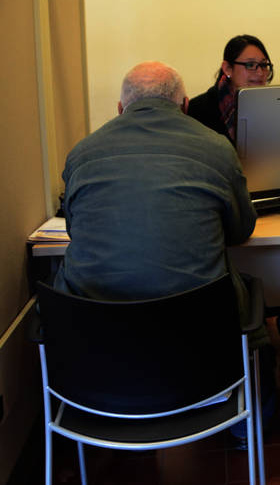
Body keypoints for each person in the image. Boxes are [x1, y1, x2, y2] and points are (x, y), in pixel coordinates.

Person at [54, 61, 260, 333]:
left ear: (120, 109)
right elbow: (240, 230)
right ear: (185, 106)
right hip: (198, 327)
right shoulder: (218, 148)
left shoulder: (80, 154)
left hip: (94, 332)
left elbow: (74, 229)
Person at [188, 35, 280, 371]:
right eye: (251, 65)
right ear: (227, 68)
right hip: (222, 204)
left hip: (272, 195)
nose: (259, 73)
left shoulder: (278, 105)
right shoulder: (198, 110)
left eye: (264, 66)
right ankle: (249, 335)